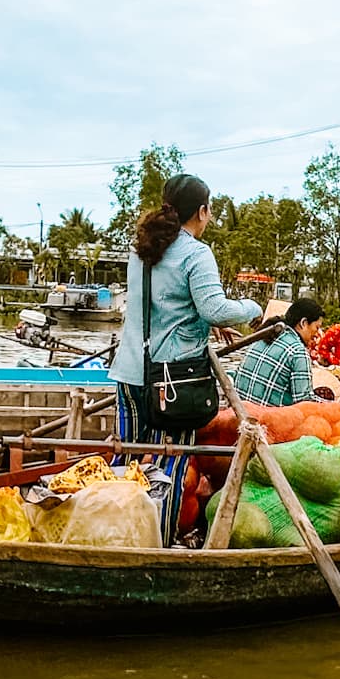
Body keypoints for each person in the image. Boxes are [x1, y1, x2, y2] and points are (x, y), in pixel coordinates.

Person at [111, 173, 260, 541]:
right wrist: (250, 307)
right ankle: (158, 542)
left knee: (124, 459)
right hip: (172, 381)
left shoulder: (143, 249)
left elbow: (163, 306)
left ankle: (112, 532)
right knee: (170, 464)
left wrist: (205, 323)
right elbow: (213, 307)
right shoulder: (196, 253)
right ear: (203, 211)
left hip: (130, 371)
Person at [235, 296, 323, 407]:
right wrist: (338, 407)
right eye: (317, 327)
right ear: (303, 323)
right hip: (266, 419)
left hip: (239, 412)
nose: (317, 333)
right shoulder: (297, 351)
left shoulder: (263, 335)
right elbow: (304, 403)